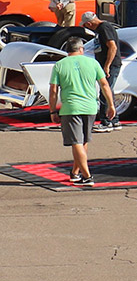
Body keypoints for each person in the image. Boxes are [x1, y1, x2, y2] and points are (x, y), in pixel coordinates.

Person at [48, 33, 112, 185]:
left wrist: (52, 110)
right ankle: (75, 172)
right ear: (81, 49)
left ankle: (87, 176)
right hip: (90, 107)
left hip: (71, 108)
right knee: (83, 142)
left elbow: (53, 90)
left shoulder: (60, 65)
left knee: (76, 142)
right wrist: (111, 104)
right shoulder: (93, 63)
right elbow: (104, 84)